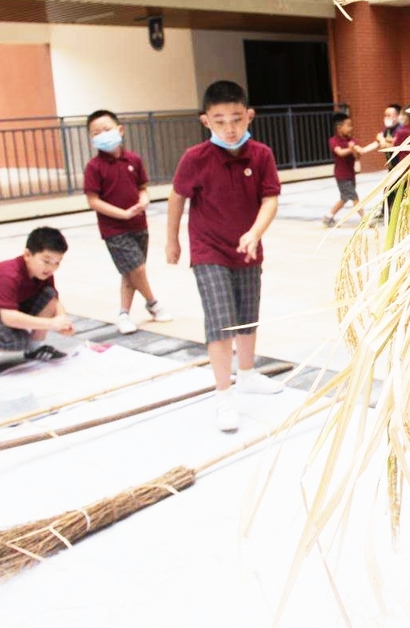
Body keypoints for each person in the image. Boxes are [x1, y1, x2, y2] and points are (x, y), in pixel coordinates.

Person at [166, 80, 283, 433]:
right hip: (208, 249)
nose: (229, 128)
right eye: (219, 121)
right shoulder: (195, 158)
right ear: (206, 122)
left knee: (247, 316)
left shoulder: (261, 154)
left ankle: (246, 374)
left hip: (247, 247)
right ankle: (223, 395)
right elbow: (176, 197)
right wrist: (171, 240)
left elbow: (270, 198)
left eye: (236, 118)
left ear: (250, 116)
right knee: (220, 320)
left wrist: (255, 232)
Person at [83, 109, 173, 335]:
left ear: (119, 130)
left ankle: (124, 314)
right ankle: (153, 303)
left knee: (130, 272)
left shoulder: (134, 159)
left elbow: (143, 189)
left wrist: (143, 202)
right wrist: (121, 214)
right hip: (114, 229)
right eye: (96, 132)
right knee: (137, 268)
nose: (102, 135)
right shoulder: (94, 167)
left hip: (139, 224)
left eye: (106, 129)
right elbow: (93, 200)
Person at [0, 226, 75, 370]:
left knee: (48, 294)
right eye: (46, 261)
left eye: (57, 262)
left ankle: (34, 349)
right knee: (19, 341)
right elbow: (9, 317)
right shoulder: (7, 275)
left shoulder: (43, 273)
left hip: (8, 308)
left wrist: (63, 320)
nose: (51, 268)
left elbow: (53, 300)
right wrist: (51, 324)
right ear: (27, 254)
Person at [322, 114, 378, 227]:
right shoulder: (334, 141)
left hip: (351, 174)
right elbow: (340, 152)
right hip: (341, 175)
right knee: (354, 196)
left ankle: (328, 217)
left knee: (345, 198)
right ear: (339, 127)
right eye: (348, 126)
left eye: (351, 125)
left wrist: (354, 150)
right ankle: (365, 219)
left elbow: (357, 157)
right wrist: (350, 148)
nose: (350, 128)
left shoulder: (353, 140)